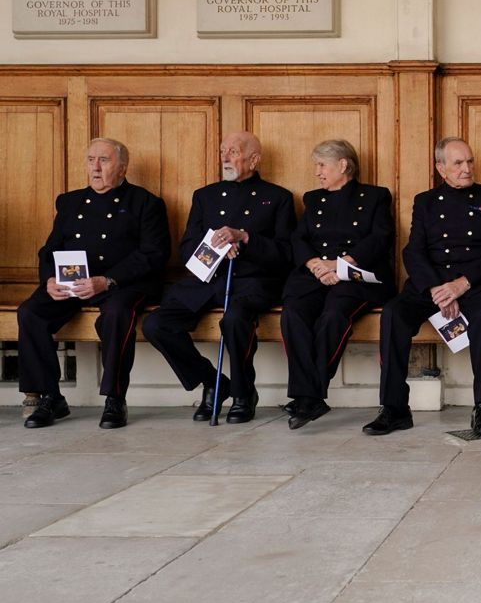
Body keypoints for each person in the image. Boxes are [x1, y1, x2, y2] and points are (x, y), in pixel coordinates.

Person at [142, 132, 295, 424]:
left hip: (253, 281)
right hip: (206, 279)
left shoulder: (277, 197)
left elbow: (286, 253)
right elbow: (187, 246)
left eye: (233, 152)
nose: (225, 158)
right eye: (223, 151)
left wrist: (246, 240)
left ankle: (243, 393)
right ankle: (213, 382)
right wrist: (214, 249)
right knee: (156, 324)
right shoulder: (205, 195)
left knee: (235, 320)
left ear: (254, 159)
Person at [19, 138, 170, 429]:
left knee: (117, 314)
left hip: (123, 283)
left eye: (104, 160)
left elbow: (154, 254)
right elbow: (50, 249)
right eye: (91, 160)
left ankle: (115, 398)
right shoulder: (69, 201)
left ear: (123, 168)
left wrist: (108, 280)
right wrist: (49, 279)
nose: (95, 167)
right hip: (74, 280)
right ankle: (50, 396)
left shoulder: (146, 203)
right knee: (30, 312)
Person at [366, 137, 481, 436]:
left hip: (476, 284)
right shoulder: (426, 201)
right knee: (393, 313)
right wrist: (436, 288)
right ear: (440, 168)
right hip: (432, 284)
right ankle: (394, 408)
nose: (467, 169)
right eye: (458, 163)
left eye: (469, 162)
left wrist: (461, 284)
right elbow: (413, 251)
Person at [281, 139, 394, 429]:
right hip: (316, 275)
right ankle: (311, 396)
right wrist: (315, 265)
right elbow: (299, 239)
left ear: (343, 165)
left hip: (357, 276)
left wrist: (341, 264)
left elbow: (380, 238)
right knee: (293, 314)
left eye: (322, 165)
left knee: (333, 315)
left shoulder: (375, 196)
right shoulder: (313, 199)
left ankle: (310, 395)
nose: (317, 172)